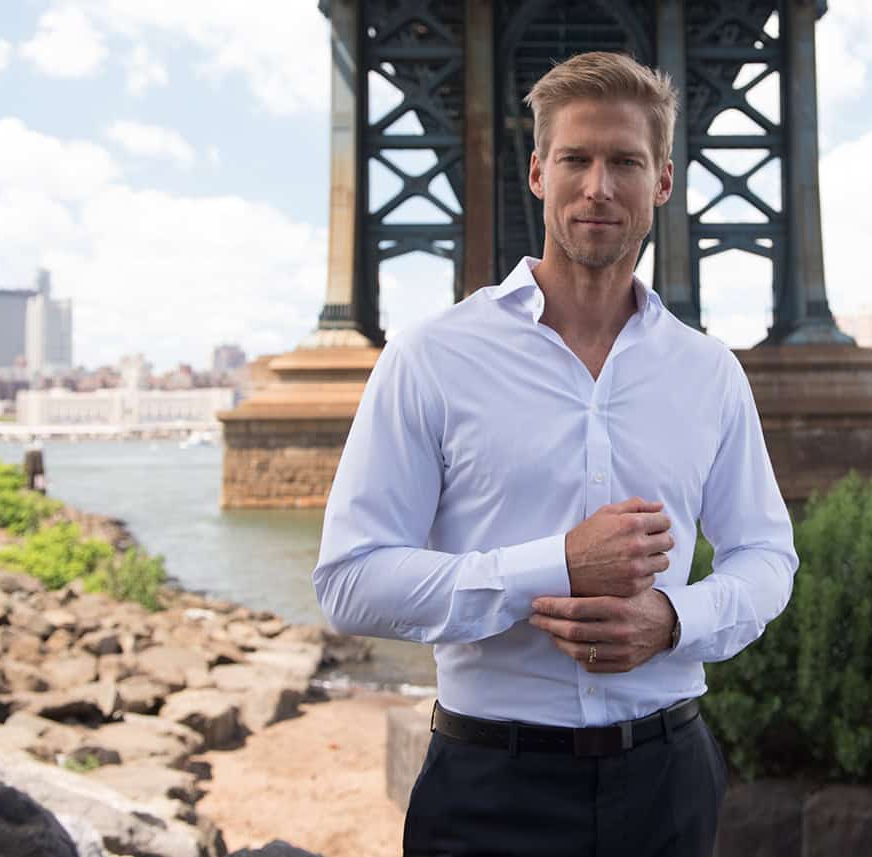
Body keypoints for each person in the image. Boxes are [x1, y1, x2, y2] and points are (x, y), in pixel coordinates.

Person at [313, 50, 798, 857]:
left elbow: (768, 556)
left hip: (668, 779)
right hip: (488, 790)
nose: (599, 186)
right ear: (538, 173)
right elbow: (349, 582)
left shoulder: (710, 372)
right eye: (576, 158)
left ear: (665, 182)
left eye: (626, 163)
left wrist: (676, 617)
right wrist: (556, 565)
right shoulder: (431, 357)